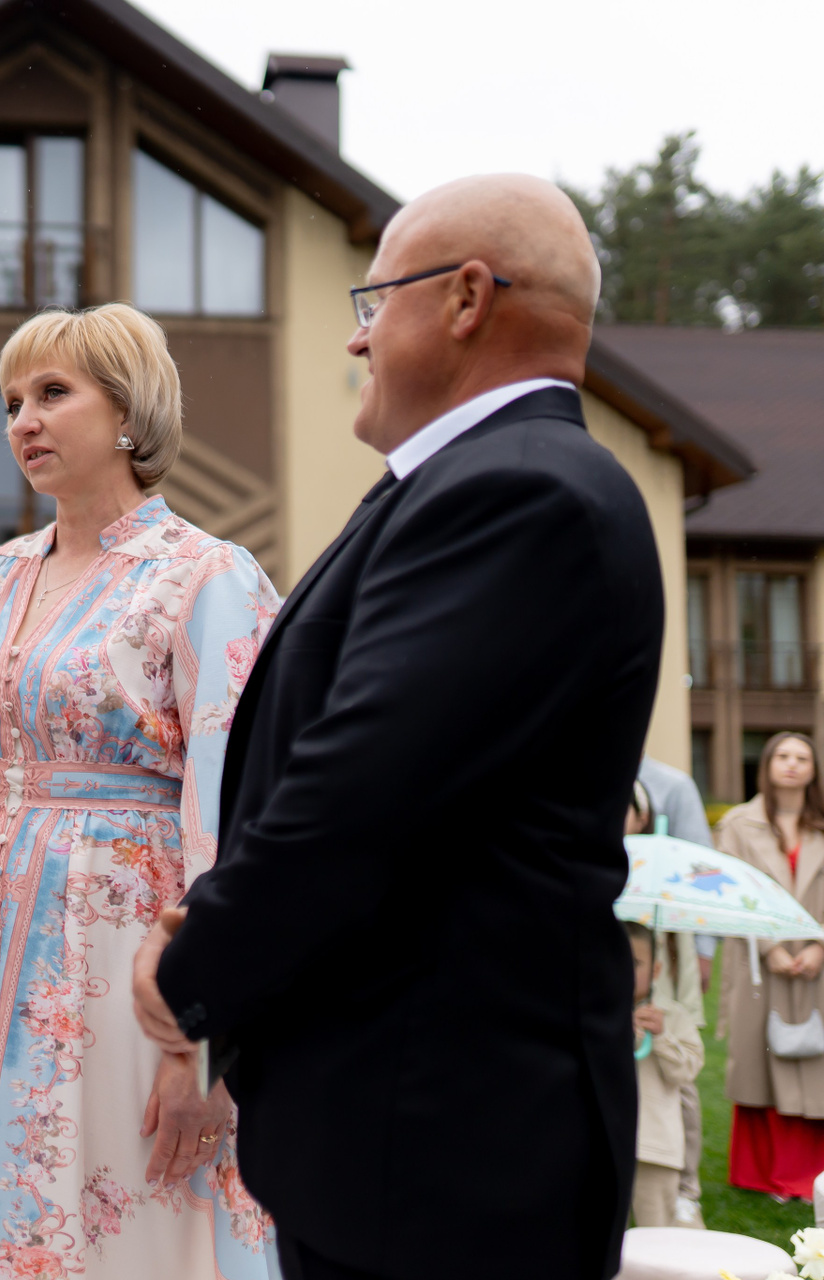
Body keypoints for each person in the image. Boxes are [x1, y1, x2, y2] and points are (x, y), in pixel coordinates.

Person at [134, 174, 664, 1280]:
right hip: (398, 1133)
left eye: (375, 301)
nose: (356, 336)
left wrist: (200, 964)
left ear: (467, 297)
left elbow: (364, 783)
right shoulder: (466, 484)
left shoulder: (522, 491)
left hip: (448, 1148)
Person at [0, 303, 281, 1279]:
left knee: (123, 1210)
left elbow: (236, 812)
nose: (23, 420)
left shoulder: (205, 577)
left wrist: (203, 1037)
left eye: (52, 393)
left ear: (129, 411)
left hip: (120, 956)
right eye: (10, 401)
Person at [720, 731, 824, 1200]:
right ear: (766, 764)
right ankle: (764, 1174)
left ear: (814, 769)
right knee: (762, 1063)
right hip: (760, 965)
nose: (792, 764)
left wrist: (820, 946)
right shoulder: (739, 825)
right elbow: (727, 894)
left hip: (818, 966)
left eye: (802, 757)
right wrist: (769, 947)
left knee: (816, 1063)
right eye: (782, 755)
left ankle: (812, 1174)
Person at [628, 920, 704, 1226]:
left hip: (653, 1146)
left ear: (656, 970)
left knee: (656, 1230)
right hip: (602, 1140)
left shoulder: (672, 1016)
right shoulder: (595, 1013)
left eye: (635, 963)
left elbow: (687, 1071)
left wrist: (661, 1037)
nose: (624, 970)